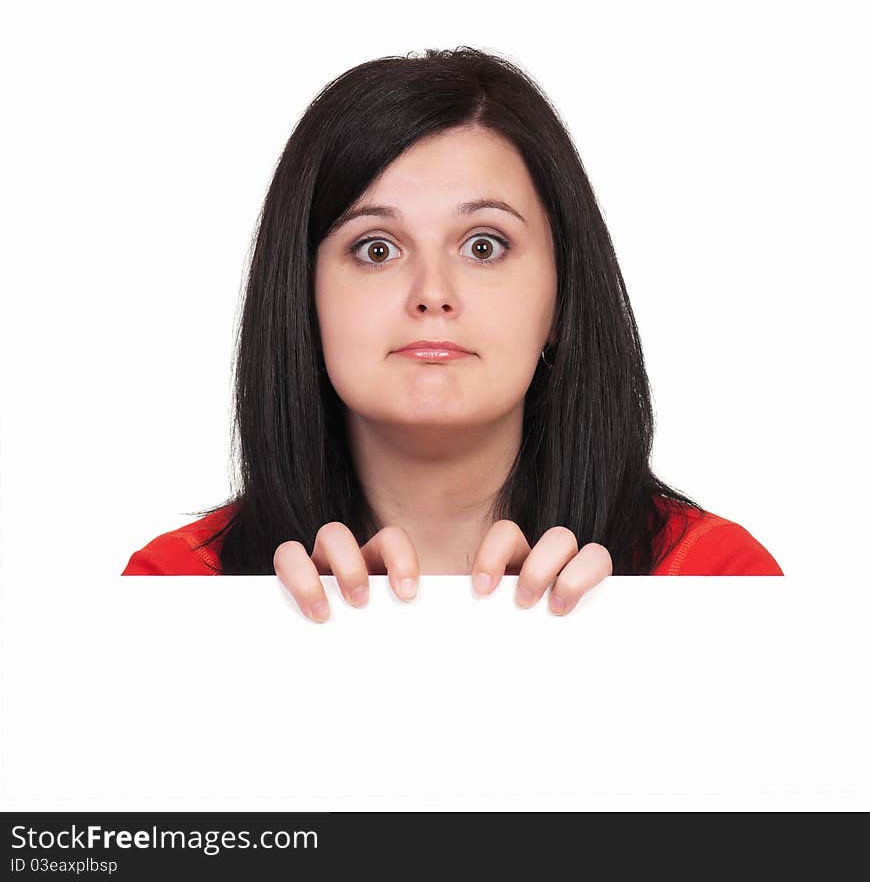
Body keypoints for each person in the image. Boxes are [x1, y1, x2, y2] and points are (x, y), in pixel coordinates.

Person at [122, 47, 784, 620]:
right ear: (303, 298)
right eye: (376, 249)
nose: (432, 293)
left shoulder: (715, 582)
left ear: (561, 301)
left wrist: (601, 647)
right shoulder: (173, 592)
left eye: (485, 245)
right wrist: (288, 652)